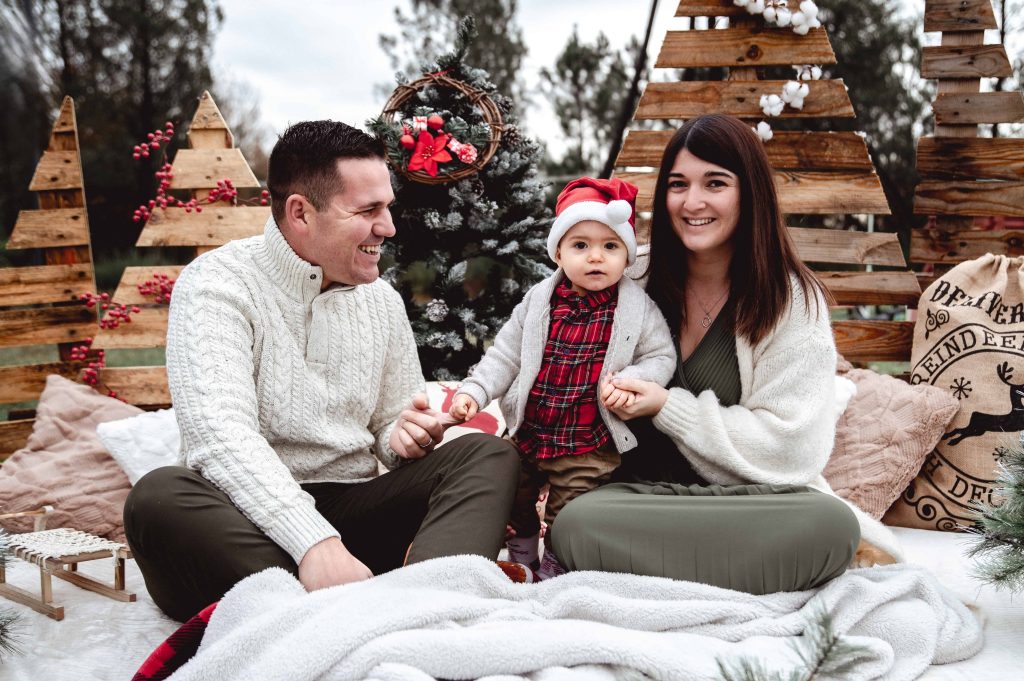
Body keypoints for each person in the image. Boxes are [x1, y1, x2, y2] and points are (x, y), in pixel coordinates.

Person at [123, 120, 519, 621]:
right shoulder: (216, 285)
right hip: (240, 524)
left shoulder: (383, 302)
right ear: (300, 213)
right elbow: (218, 437)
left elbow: (388, 421)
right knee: (157, 497)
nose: (388, 227)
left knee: (487, 455)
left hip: (351, 512)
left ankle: (419, 611)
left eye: (388, 207)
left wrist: (400, 437)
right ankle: (370, 610)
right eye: (368, 210)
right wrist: (314, 545)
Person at [549, 114, 903, 595]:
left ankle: (650, 575)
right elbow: (551, 360)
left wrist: (665, 406)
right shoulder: (628, 277)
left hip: (753, 505)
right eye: (678, 185)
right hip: (638, 500)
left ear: (749, 192)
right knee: (576, 523)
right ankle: (727, 576)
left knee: (829, 524)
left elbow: (790, 449)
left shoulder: (792, 301)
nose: (692, 202)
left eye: (715, 183)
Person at [449, 177, 675, 581]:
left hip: (587, 439)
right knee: (510, 489)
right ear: (558, 252)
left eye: (610, 246)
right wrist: (475, 391)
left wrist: (632, 379)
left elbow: (661, 356)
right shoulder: (538, 301)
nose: (596, 258)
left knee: (571, 508)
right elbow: (504, 355)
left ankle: (556, 565)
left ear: (627, 256)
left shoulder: (638, 308)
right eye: (580, 245)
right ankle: (522, 557)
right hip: (531, 430)